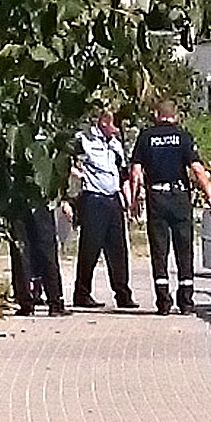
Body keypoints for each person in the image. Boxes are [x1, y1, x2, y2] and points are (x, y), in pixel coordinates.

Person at [129, 100, 211, 315]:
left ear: (156, 115)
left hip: (156, 197)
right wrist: (210, 196)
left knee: (159, 251)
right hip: (179, 197)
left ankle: (163, 302)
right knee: (184, 249)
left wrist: (133, 201)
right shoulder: (182, 136)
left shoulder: (146, 137)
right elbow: (197, 170)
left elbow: (135, 173)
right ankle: (186, 301)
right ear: (175, 116)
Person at [72, 108, 137, 309]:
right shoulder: (84, 140)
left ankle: (123, 295)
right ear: (104, 123)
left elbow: (123, 174)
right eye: (115, 124)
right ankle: (82, 294)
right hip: (93, 200)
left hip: (113, 200)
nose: (118, 129)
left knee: (118, 251)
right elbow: (67, 162)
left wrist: (129, 201)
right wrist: (79, 176)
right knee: (90, 249)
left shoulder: (116, 145)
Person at [9, 201, 71, 317]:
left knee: (21, 253)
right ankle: (54, 302)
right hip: (38, 202)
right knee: (46, 252)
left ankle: (26, 303)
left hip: (16, 203)